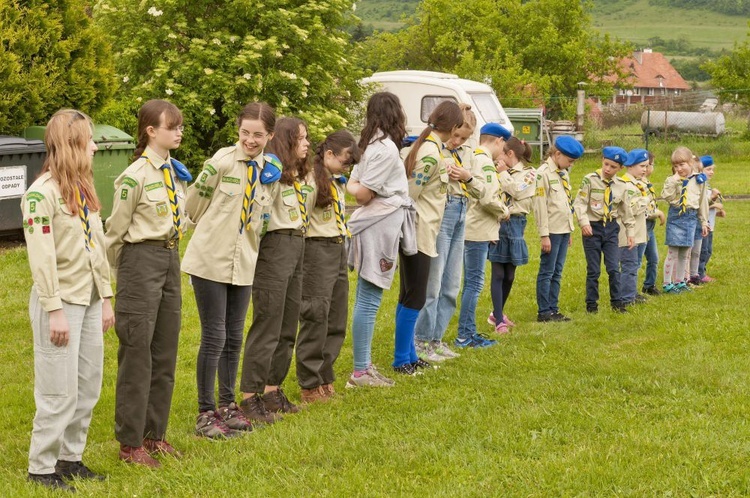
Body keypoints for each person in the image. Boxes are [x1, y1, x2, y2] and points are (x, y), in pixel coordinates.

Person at [23, 109, 114, 492]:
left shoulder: (82, 189)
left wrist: (106, 297)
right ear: (72, 144)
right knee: (58, 390)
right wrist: (54, 310)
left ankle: (70, 458)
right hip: (60, 305)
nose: (94, 146)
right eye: (89, 140)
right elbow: (41, 258)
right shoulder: (40, 195)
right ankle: (41, 467)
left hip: (90, 300)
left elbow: (98, 249)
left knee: (88, 386)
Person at [182, 102, 278, 438]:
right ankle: (205, 412)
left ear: (270, 135)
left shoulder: (269, 171)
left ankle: (227, 406)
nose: (251, 140)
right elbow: (193, 205)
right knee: (215, 336)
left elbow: (263, 218)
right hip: (211, 259)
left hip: (244, 261)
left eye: (258, 135)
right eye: (245, 133)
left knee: (235, 337)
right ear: (238, 131)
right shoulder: (220, 163)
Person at [105, 99, 188, 468]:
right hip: (140, 261)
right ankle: (129, 442)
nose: (179, 131)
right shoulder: (134, 176)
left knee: (164, 351)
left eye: (180, 125)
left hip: (170, 257)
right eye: (172, 126)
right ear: (151, 131)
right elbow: (114, 234)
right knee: (137, 352)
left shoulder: (174, 172)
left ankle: (155, 434)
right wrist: (123, 279)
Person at [239, 117, 309, 420]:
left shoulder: (295, 175)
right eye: (302, 139)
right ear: (287, 141)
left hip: (296, 243)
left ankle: (271, 389)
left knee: (287, 324)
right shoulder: (272, 173)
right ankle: (249, 396)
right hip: (275, 247)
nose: (307, 144)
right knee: (268, 324)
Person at [346, 91, 416, 388]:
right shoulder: (385, 149)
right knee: (370, 297)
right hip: (381, 224)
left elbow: (355, 182)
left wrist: (355, 185)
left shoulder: (369, 145)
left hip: (380, 220)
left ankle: (363, 367)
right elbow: (361, 193)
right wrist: (356, 188)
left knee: (367, 295)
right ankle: (361, 371)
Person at [396, 100, 464, 375]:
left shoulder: (433, 148)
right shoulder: (431, 154)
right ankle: (402, 359)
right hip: (419, 230)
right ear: (454, 127)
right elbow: (410, 194)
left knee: (411, 294)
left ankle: (410, 354)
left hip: (426, 230)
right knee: (414, 297)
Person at [296, 130, 360, 403]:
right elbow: (301, 219)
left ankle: (325, 374)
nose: (348, 167)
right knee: (315, 313)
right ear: (330, 154)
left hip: (337, 246)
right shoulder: (311, 180)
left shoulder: (337, 181)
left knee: (336, 315)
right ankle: (309, 381)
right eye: (346, 161)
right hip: (316, 249)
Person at [413, 104, 477, 362]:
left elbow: (481, 187)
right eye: (456, 135)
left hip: (463, 210)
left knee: (452, 284)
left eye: (463, 139)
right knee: (434, 282)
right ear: (450, 128)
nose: (457, 141)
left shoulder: (469, 153)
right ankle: (421, 340)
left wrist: (468, 176)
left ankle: (437, 339)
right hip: (443, 210)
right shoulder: (433, 149)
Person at [456, 123, 510, 347]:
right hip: (477, 229)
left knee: (472, 282)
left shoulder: (474, 156)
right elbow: (488, 197)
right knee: (474, 283)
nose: (503, 151)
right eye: (503, 145)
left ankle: (467, 331)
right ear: (498, 140)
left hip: (475, 227)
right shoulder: (485, 161)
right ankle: (465, 334)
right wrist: (504, 211)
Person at [574, 146, 635, 313]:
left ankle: (617, 303)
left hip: (611, 228)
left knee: (614, 268)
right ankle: (591, 305)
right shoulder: (590, 180)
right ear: (602, 160)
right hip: (592, 228)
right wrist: (584, 222)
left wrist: (630, 233)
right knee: (593, 270)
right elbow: (579, 203)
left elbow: (626, 210)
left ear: (620, 168)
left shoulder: (622, 185)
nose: (608, 169)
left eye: (613, 167)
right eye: (606, 164)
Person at [487, 137, 536, 332]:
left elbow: (516, 190)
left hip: (516, 223)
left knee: (509, 274)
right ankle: (498, 320)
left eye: (501, 153)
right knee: (498, 272)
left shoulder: (530, 174)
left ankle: (496, 313)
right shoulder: (497, 171)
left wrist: (503, 174)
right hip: (499, 222)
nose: (497, 156)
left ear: (510, 154)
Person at [533, 136, 583, 322]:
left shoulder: (563, 173)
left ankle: (553, 308)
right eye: (570, 161)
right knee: (547, 270)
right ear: (557, 154)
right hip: (551, 231)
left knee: (557, 271)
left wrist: (569, 229)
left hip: (563, 230)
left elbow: (565, 202)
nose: (571, 165)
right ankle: (544, 311)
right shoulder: (543, 174)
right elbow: (540, 206)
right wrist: (544, 235)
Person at [660, 146, 709, 294]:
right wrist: (674, 180)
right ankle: (667, 283)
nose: (678, 169)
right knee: (673, 251)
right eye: (675, 166)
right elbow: (666, 196)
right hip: (676, 216)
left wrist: (704, 221)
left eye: (682, 165)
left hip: (691, 217)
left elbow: (702, 202)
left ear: (691, 163)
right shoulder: (673, 180)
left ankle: (680, 281)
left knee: (685, 252)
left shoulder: (699, 179)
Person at [618, 149, 651, 306]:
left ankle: (632, 292)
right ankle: (626, 298)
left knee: (635, 264)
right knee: (629, 266)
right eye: (641, 166)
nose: (645, 170)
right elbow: (632, 209)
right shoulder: (626, 185)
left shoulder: (639, 183)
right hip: (628, 234)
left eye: (646, 166)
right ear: (630, 166)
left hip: (639, 232)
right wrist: (645, 199)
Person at [640, 151, 665, 295]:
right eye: (652, 165)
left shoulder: (647, 183)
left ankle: (649, 285)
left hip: (650, 227)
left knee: (654, 258)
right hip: (641, 226)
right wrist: (658, 213)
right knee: (636, 261)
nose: (652, 168)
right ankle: (630, 291)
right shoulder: (638, 185)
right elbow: (643, 209)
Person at [697, 155, 724, 282]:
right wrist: (714, 201)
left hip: (710, 224)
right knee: (702, 250)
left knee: (708, 251)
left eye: (712, 169)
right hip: (703, 224)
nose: (711, 172)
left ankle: (702, 271)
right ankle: (699, 274)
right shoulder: (700, 185)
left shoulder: (707, 185)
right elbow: (700, 204)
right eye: (708, 169)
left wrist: (717, 213)